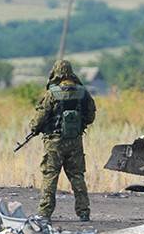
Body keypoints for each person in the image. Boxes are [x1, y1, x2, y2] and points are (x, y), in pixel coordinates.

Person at [29, 59, 96, 221]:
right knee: (77, 176)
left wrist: (34, 128)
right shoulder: (83, 92)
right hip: (75, 142)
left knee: (50, 176)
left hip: (54, 142)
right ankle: (84, 212)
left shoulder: (52, 93)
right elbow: (90, 116)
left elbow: (40, 118)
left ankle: (44, 213)